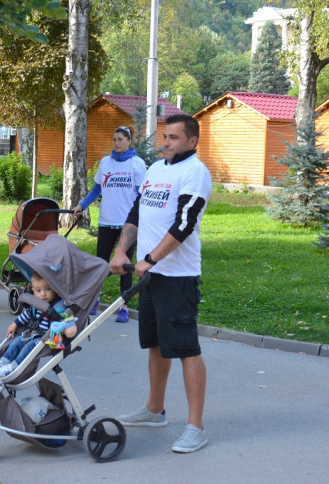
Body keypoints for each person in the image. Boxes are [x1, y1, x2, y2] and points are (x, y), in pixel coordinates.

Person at [110, 114, 212, 454]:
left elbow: (185, 224)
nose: (165, 142)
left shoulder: (195, 172)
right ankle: (155, 410)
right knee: (155, 344)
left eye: (173, 137)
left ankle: (195, 427)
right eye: (165, 136)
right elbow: (136, 212)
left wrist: (150, 259)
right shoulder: (155, 169)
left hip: (177, 276)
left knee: (186, 348)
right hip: (149, 275)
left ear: (192, 141)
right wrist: (121, 250)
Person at [73, 126, 147, 322]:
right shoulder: (105, 163)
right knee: (101, 263)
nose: (117, 143)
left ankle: (124, 306)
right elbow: (96, 190)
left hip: (127, 224)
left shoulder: (137, 164)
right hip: (106, 220)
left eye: (121, 139)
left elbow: (142, 195)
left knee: (125, 265)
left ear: (129, 141)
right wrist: (82, 205)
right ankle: (94, 300)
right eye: (114, 139)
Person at [0, 272, 76, 377]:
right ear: (33, 291)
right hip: (30, 334)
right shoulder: (35, 306)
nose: (43, 294)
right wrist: (14, 324)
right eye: (38, 291)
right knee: (16, 342)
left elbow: (59, 325)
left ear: (55, 290)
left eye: (48, 290)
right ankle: (3, 362)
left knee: (28, 348)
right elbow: (25, 316)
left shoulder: (56, 309)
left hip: (43, 339)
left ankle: (12, 367)